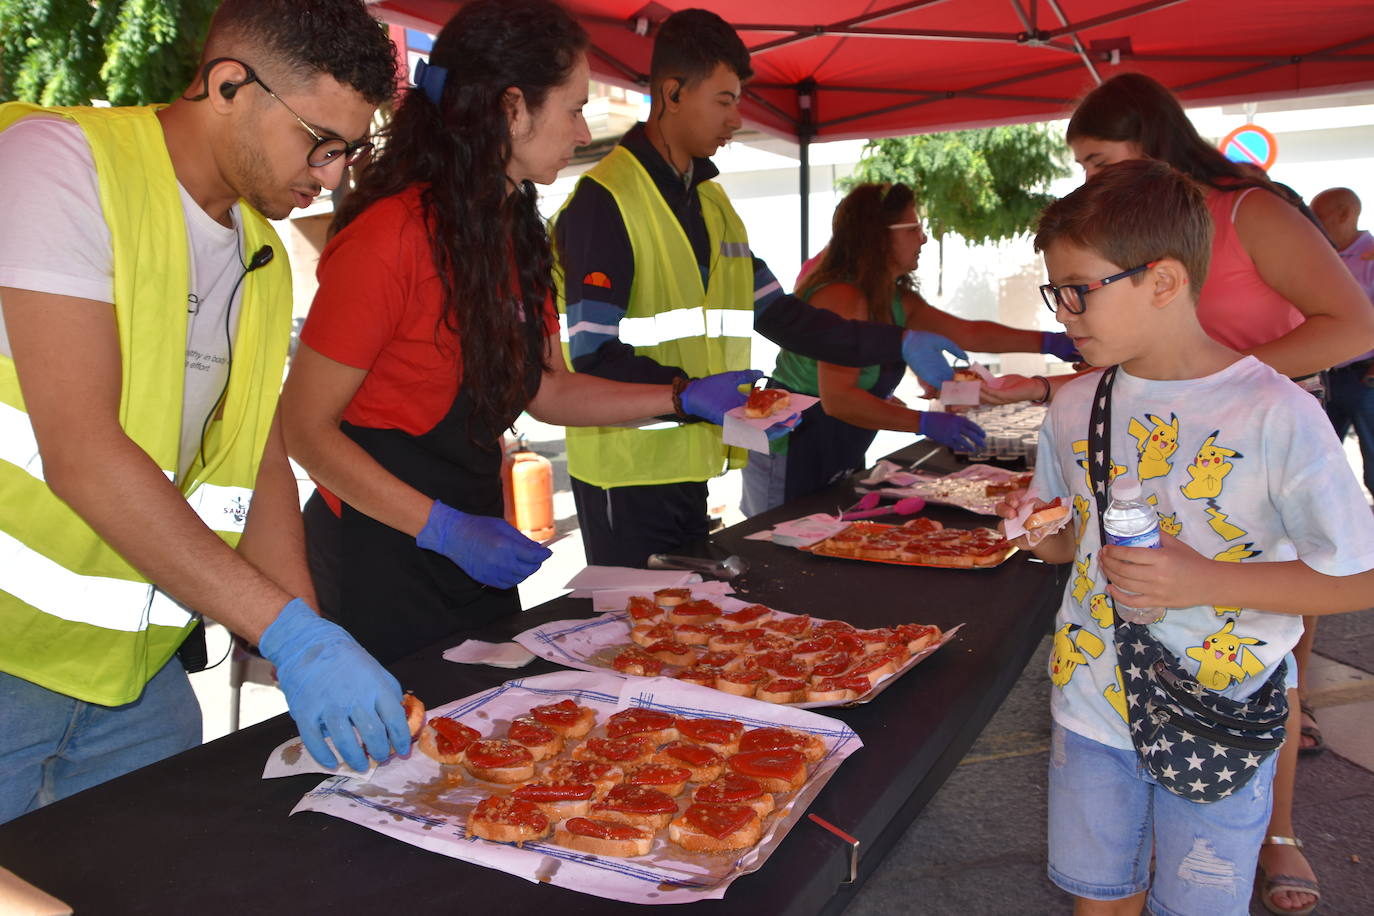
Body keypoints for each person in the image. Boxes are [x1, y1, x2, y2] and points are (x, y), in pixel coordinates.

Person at [0, 0, 410, 824]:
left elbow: (251, 464)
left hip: (139, 678)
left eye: (349, 151)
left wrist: (306, 638)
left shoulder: (259, 257)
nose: (332, 175)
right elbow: (80, 450)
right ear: (230, 85)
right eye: (318, 142)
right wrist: (293, 637)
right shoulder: (55, 163)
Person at [278, 0, 762, 666]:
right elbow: (303, 429)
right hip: (377, 553)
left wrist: (679, 397)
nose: (582, 127)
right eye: (573, 107)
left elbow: (545, 389)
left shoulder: (514, 233)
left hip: (469, 541)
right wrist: (441, 527)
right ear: (511, 109)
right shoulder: (390, 236)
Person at [999, 158, 1374, 916]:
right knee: (1100, 899)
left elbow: (1360, 576)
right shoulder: (1075, 409)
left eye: (1079, 291)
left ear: (1164, 281)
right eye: (1057, 291)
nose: (1065, 312)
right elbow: (1067, 551)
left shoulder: (1276, 414)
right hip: (1092, 710)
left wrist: (1208, 581)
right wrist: (1036, 531)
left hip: (1222, 716)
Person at [551, 8, 971, 568]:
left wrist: (893, 344)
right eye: (724, 101)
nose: (735, 120)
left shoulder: (712, 203)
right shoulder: (605, 202)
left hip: (691, 463)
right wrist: (691, 393)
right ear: (672, 93)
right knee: (638, 640)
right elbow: (593, 357)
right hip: (625, 474)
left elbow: (785, 317)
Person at [741, 181, 1078, 516]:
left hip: (839, 443)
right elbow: (839, 401)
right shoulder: (841, 297)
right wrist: (923, 423)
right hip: (794, 448)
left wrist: (1052, 342)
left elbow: (971, 333)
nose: (924, 238)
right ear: (879, 235)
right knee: (776, 540)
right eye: (914, 227)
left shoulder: (895, 299)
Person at [1312, 187, 1374, 499]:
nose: (1315, 225)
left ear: (1345, 214)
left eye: (1320, 217)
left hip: (1365, 376)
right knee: (1321, 456)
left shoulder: (1371, 257)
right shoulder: (1322, 257)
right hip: (1328, 374)